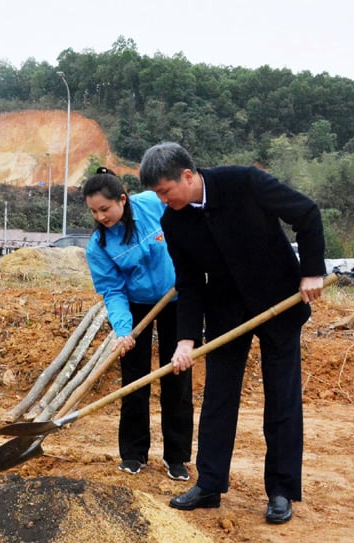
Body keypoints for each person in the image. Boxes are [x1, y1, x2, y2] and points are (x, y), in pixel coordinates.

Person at [138, 142, 325, 525]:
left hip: (279, 301)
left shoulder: (244, 182)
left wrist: (311, 271)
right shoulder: (173, 221)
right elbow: (189, 283)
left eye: (163, 191)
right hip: (226, 311)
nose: (161, 199)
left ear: (187, 177)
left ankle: (281, 490)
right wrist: (186, 339)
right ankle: (209, 484)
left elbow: (306, 214)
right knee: (218, 397)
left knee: (281, 399)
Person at [82, 167, 192, 481]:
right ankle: (133, 454)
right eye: (93, 212)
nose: (101, 217)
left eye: (105, 209)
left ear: (123, 199)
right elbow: (112, 290)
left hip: (177, 297)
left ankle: (177, 457)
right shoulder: (99, 245)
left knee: (178, 376)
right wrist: (123, 330)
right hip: (135, 304)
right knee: (134, 381)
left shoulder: (151, 204)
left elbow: (182, 216)